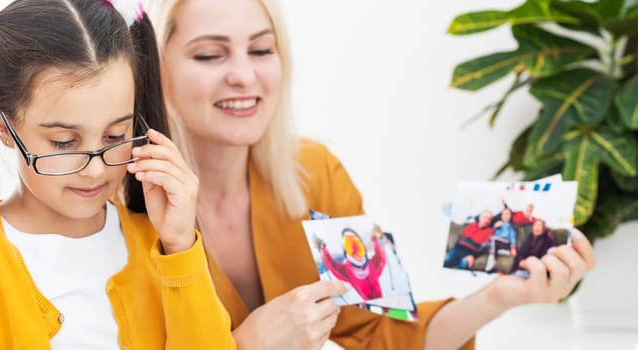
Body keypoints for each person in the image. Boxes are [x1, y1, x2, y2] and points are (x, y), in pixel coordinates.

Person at [146, 0, 597, 349]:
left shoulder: (315, 172)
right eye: (209, 56)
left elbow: (386, 335)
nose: (244, 75)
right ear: (155, 66)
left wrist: (500, 297)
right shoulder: (121, 204)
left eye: (262, 49)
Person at [0, 0, 234, 348]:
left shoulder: (163, 245)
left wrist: (180, 248)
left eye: (115, 136)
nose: (96, 170)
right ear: (1, 126)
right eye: (64, 142)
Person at [318, 227, 386, 301]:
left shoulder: (371, 265)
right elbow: (332, 265)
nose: (356, 251)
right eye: (349, 246)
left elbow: (380, 257)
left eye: (359, 246)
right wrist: (323, 249)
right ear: (346, 252)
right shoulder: (347, 271)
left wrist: (374, 239)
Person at [484, 207, 518, 272]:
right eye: (503, 214)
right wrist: (495, 227)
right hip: (497, 242)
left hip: (506, 242)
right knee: (489, 241)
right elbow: (494, 233)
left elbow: (512, 237)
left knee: (493, 239)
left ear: (511, 216)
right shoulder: (499, 223)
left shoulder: (510, 226)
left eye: (507, 214)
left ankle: (492, 260)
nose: (505, 216)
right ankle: (501, 252)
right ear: (501, 216)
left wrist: (513, 247)